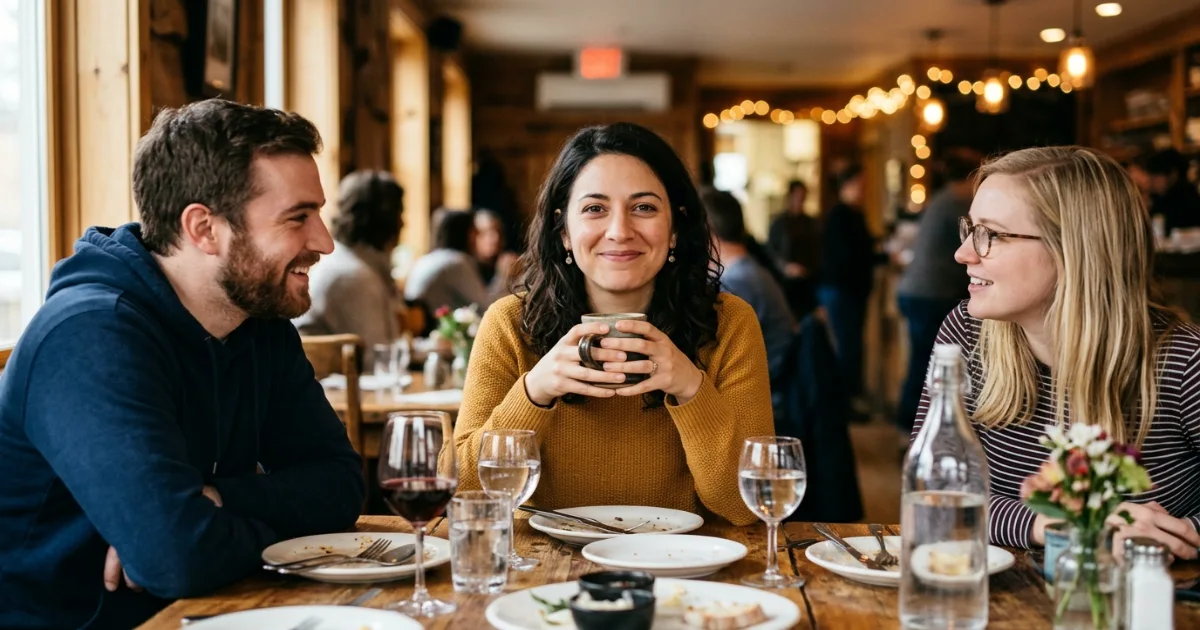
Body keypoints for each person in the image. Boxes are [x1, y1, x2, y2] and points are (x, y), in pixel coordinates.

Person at [0, 99, 365, 629]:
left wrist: (217, 501)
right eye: (297, 218)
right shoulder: (89, 334)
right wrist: (188, 535)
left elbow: (340, 486)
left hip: (206, 611)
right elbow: (177, 558)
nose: (324, 241)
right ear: (204, 228)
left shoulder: (258, 323)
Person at [448, 123, 775, 526]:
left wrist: (690, 387)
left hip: (683, 570)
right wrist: (534, 392)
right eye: (594, 209)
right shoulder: (510, 324)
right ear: (563, 231)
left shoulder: (729, 324)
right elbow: (462, 494)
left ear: (675, 229)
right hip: (545, 571)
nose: (620, 231)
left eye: (644, 208)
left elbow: (745, 507)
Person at [913, 146, 1200, 559]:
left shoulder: (1181, 360)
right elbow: (930, 496)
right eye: (970, 229)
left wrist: (1179, 534)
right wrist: (1052, 525)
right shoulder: (966, 332)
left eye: (990, 235)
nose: (964, 254)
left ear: (1073, 250)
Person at [894, 150, 977, 434]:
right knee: (928, 363)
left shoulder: (942, 199)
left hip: (915, 290)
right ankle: (912, 428)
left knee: (921, 360)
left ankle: (908, 427)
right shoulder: (959, 202)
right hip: (931, 294)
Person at [294, 169, 404, 365]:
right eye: (400, 212)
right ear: (387, 217)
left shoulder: (352, 263)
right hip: (337, 392)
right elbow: (379, 360)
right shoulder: (353, 276)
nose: (404, 223)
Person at [701, 187, 797, 381]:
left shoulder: (737, 282)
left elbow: (717, 356)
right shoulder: (748, 269)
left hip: (768, 385)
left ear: (707, 231)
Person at [817, 166, 876, 405]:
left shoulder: (853, 214)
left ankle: (848, 403)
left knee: (851, 348)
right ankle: (843, 406)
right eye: (859, 186)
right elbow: (848, 256)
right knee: (846, 349)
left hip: (849, 291)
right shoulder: (839, 216)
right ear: (847, 185)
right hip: (841, 290)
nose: (862, 191)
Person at [404, 209, 504, 313]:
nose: (477, 238)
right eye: (475, 232)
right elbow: (488, 308)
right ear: (466, 233)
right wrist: (503, 274)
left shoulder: (428, 259)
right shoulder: (455, 263)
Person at [767, 180, 820, 317]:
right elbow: (771, 252)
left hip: (809, 283)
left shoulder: (810, 223)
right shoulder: (779, 224)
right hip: (787, 284)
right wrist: (786, 267)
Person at [1146, 148, 1200, 235]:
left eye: (1156, 176)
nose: (1152, 181)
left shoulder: (1186, 198)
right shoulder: (1158, 197)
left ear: (1173, 174)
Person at [474, 207, 518, 290]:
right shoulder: (468, 266)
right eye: (487, 232)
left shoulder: (508, 262)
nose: (496, 238)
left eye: (499, 232)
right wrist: (502, 276)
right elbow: (484, 302)